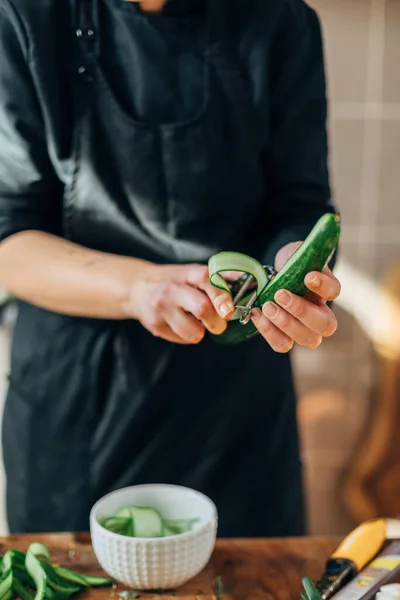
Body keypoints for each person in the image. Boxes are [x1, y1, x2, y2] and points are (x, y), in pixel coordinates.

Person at [0, 0, 341, 536]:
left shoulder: (281, 21)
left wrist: (293, 273)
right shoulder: (24, 17)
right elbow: (9, 238)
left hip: (238, 407)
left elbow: (300, 205)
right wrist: (137, 287)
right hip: (78, 404)